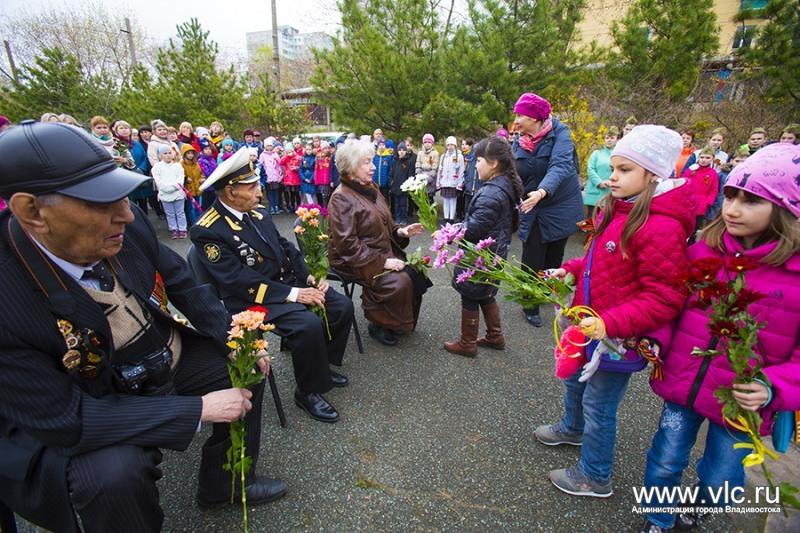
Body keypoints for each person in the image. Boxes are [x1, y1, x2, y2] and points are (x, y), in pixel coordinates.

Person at [0, 121, 286, 533]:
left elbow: (183, 283)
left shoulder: (123, 223)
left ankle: (224, 484)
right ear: (32, 211)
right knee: (114, 476)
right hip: (91, 398)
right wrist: (196, 410)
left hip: (160, 353)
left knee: (244, 371)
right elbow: (64, 418)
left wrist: (235, 339)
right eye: (100, 201)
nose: (127, 214)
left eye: (121, 195)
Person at [639, 142, 800, 533]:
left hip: (741, 400)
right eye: (730, 196)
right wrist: (656, 338)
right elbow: (673, 305)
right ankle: (657, 519)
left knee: (722, 478)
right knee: (666, 458)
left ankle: (700, 505)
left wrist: (773, 386)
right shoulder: (702, 251)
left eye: (751, 200)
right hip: (684, 383)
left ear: (785, 210)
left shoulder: (794, 277)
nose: (732, 209)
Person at [536, 125, 695, 499]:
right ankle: (572, 428)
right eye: (613, 168)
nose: (613, 177)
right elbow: (601, 263)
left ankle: (595, 475)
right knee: (574, 380)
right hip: (590, 323)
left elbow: (665, 296)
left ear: (652, 174)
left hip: (616, 337)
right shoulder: (620, 209)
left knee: (599, 404)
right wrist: (571, 270)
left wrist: (609, 322)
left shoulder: (660, 226)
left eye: (624, 170)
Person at [189, 148, 353, 423]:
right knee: (307, 325)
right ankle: (308, 392)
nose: (259, 190)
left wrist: (308, 276)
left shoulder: (258, 213)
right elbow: (237, 280)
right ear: (231, 192)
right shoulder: (208, 230)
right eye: (252, 186)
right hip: (253, 299)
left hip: (285, 282)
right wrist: (295, 294)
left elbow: (285, 247)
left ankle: (320, 366)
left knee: (341, 306)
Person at [327, 140, 429, 346]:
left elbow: (383, 222)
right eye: (366, 162)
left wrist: (400, 231)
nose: (373, 167)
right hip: (351, 260)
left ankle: (397, 321)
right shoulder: (341, 198)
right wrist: (382, 262)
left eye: (372, 161)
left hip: (376, 251)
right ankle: (379, 324)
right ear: (350, 167)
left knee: (416, 272)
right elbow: (347, 245)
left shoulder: (370, 188)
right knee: (397, 281)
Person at [443, 137, 523, 357]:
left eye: (478, 160)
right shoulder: (505, 185)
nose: (475, 165)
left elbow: (473, 230)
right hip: (495, 253)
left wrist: (447, 234)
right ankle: (495, 336)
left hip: (481, 257)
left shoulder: (491, 194)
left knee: (470, 294)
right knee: (486, 294)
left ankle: (467, 343)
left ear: (493, 163)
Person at [513, 92, 584, 327]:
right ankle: (529, 302)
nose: (516, 120)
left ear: (534, 118)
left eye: (520, 116)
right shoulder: (519, 139)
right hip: (533, 204)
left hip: (560, 204)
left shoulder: (560, 133)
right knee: (532, 255)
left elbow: (561, 165)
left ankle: (544, 290)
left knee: (554, 254)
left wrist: (542, 191)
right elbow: (513, 170)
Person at [152, 145, 187, 239]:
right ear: (160, 155)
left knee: (180, 212)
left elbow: (180, 178)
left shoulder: (177, 166)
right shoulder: (157, 167)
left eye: (169, 153)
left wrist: (175, 187)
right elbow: (158, 180)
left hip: (178, 193)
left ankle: (182, 228)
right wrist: (166, 188)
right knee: (170, 213)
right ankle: (173, 228)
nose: (168, 155)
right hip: (165, 194)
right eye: (165, 153)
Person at [681, 146, 719, 234]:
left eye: (707, 158)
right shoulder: (692, 169)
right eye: (702, 157)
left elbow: (714, 190)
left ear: (712, 159)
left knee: (694, 227)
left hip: (701, 206)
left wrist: (708, 202)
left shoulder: (713, 173)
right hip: (687, 201)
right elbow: (683, 181)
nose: (704, 160)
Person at [584, 127, 618, 219]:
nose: (609, 140)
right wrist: (599, 182)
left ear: (616, 139)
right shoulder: (597, 153)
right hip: (595, 192)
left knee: (606, 221)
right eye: (607, 138)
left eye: (612, 138)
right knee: (591, 221)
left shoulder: (618, 154)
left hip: (610, 193)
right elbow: (590, 168)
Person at [437, 136, 465, 224]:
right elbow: (440, 170)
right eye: (448, 145)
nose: (450, 147)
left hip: (453, 182)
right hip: (444, 182)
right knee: (445, 200)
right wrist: (438, 182)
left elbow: (461, 171)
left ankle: (451, 218)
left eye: (452, 144)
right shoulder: (443, 156)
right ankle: (446, 218)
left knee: (452, 201)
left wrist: (459, 184)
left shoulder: (459, 156)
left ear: (455, 145)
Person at [389, 142, 414, 224]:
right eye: (400, 150)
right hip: (395, 186)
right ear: (398, 151)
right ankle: (397, 218)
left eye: (403, 150)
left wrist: (408, 185)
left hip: (404, 187)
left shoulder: (408, 162)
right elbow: (391, 173)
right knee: (396, 204)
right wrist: (391, 182)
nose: (401, 151)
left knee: (403, 204)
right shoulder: (394, 161)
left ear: (406, 151)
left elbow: (410, 175)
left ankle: (403, 219)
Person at [260, 142, 284, 214]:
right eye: (268, 146)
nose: (269, 147)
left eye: (270, 146)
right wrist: (264, 177)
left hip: (276, 177)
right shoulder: (262, 155)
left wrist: (280, 176)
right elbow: (261, 166)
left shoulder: (275, 155)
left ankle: (276, 206)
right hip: (268, 177)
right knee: (270, 193)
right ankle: (271, 206)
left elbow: (280, 165)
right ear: (265, 146)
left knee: (276, 192)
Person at [415, 133, 440, 204]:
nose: (427, 144)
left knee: (429, 198)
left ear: (432, 143)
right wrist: (419, 174)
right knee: (422, 198)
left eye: (429, 142)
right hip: (421, 175)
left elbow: (435, 166)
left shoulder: (435, 153)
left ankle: (431, 210)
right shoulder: (420, 153)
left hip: (430, 177)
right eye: (425, 142)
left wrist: (429, 177)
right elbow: (418, 163)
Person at [280, 144, 302, 212]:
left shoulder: (298, 157)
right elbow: (281, 162)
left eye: (291, 151)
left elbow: (301, 166)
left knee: (297, 193)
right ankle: (292, 206)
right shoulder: (286, 158)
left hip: (296, 178)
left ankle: (298, 206)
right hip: (289, 179)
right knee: (291, 194)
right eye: (288, 152)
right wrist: (286, 155)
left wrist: (296, 168)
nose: (290, 153)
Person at [460, 138, 478, 217]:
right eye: (462, 144)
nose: (464, 146)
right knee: (465, 207)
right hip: (466, 186)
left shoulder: (475, 158)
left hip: (474, 188)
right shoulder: (462, 156)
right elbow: (465, 172)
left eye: (466, 144)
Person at [372, 139, 393, 203]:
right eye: (380, 145)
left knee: (385, 200)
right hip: (375, 184)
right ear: (378, 146)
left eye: (383, 145)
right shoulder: (375, 156)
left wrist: (388, 181)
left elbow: (390, 170)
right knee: (376, 200)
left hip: (385, 184)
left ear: (385, 146)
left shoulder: (388, 157)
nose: (381, 146)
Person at [314, 140, 333, 205]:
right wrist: (316, 180)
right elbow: (316, 169)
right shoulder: (318, 157)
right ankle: (324, 209)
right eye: (325, 148)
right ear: (322, 149)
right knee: (324, 196)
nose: (327, 149)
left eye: (328, 148)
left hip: (329, 179)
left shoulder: (331, 157)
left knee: (330, 195)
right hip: (321, 180)